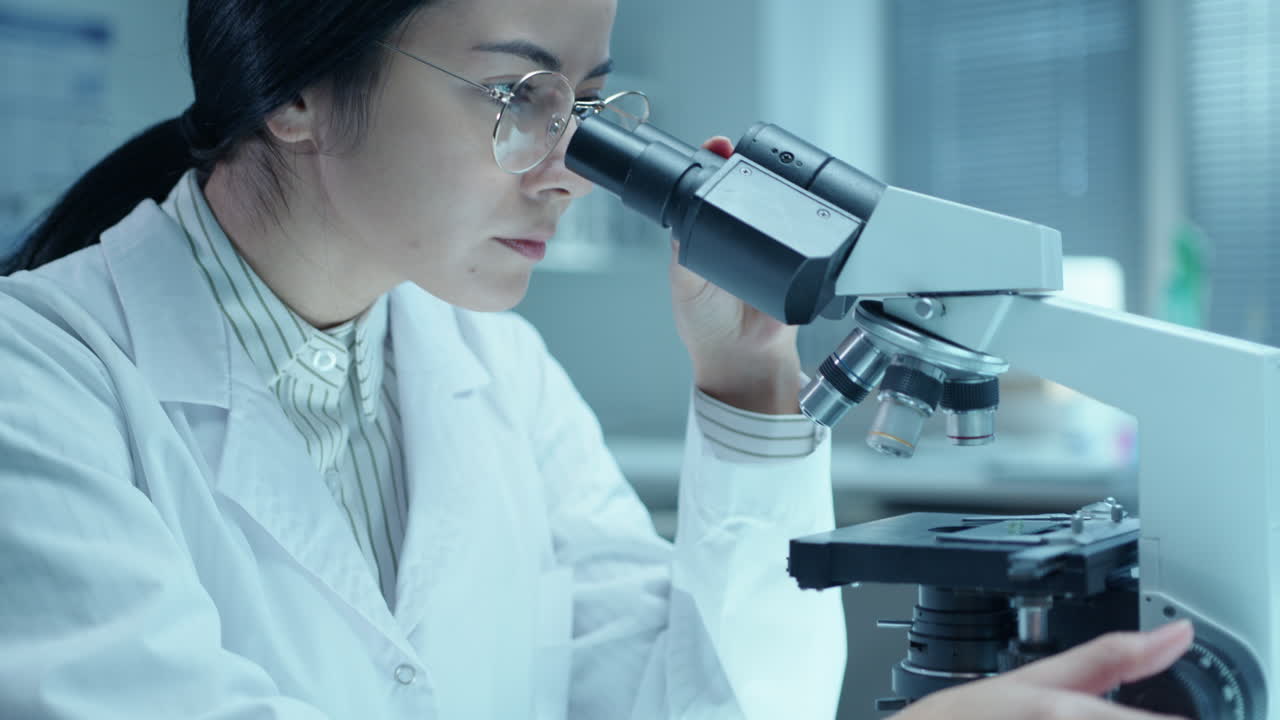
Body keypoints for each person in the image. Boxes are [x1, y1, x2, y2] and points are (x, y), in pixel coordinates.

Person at [0, 0, 1192, 718]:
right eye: (516, 92)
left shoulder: (493, 374)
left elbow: (701, 707)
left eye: (587, 102)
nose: (568, 165)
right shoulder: (37, 387)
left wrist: (744, 385)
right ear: (297, 90)